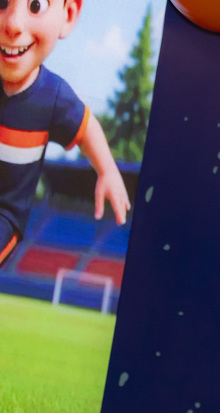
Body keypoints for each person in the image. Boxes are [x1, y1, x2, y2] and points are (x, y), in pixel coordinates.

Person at [0, 0, 130, 266]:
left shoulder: (53, 97)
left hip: (4, 215)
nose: (13, 24)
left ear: (68, 14)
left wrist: (107, 170)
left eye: (35, 5)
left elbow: (86, 128)